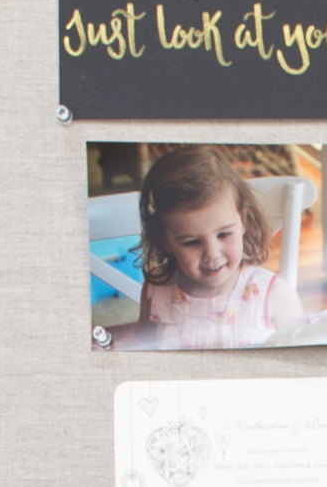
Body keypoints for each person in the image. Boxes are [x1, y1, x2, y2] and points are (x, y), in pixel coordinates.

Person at [98, 149, 300, 349]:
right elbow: (144, 342)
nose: (212, 254)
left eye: (224, 235)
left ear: (243, 220)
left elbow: (303, 353)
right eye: (192, 242)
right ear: (165, 240)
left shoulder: (273, 293)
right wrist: (113, 349)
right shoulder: (157, 290)